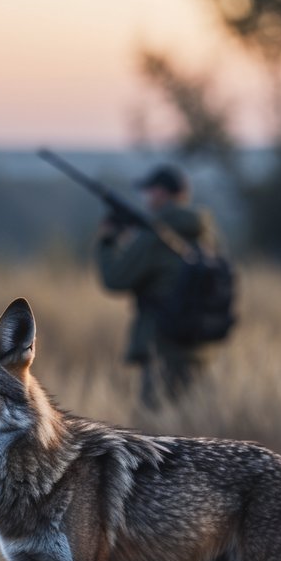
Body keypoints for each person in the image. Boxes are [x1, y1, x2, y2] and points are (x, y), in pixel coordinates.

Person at [96, 163, 221, 409]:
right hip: (200, 348)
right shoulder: (206, 233)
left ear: (162, 193)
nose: (146, 198)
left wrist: (107, 241)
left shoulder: (155, 235)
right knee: (195, 428)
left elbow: (116, 279)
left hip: (162, 347)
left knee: (158, 430)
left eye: (149, 191)